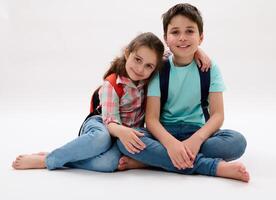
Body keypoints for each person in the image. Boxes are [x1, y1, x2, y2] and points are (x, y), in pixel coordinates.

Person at [12, 32, 211, 172]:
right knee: (101, 139)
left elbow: (173, 53)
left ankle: (66, 156)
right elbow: (110, 122)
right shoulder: (113, 84)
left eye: (149, 65)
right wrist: (121, 131)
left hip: (124, 133)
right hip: (102, 124)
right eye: (137, 60)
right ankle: (48, 160)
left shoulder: (149, 78)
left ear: (155, 68)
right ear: (127, 53)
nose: (141, 69)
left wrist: (197, 52)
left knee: (109, 165)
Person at [117, 3, 250, 182]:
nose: (182, 38)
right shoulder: (159, 69)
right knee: (125, 142)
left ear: (201, 37)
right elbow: (152, 120)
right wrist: (171, 144)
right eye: (175, 32)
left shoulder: (210, 69)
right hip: (163, 134)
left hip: (198, 132)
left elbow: (218, 115)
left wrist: (195, 141)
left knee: (237, 142)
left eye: (189, 31)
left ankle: (153, 161)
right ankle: (213, 167)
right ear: (165, 38)